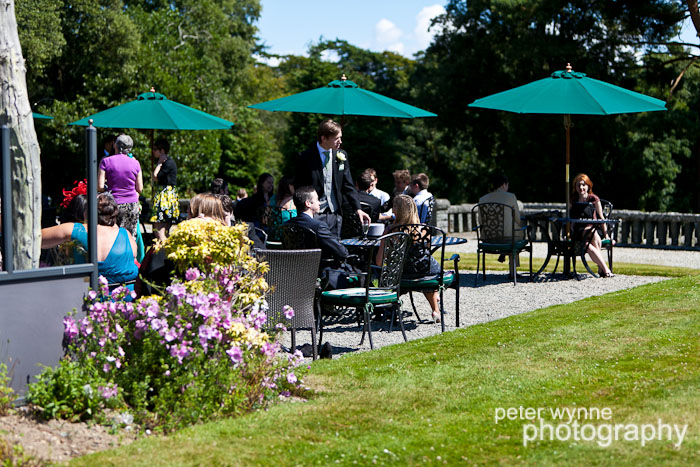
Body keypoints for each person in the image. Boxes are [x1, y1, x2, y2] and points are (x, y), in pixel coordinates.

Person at [41, 192, 138, 289]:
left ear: (86, 212)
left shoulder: (75, 230)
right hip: (125, 299)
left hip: (85, 298)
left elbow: (38, 238)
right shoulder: (126, 235)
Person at [294, 119, 369, 237]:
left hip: (335, 214)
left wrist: (358, 209)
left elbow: (348, 185)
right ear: (324, 138)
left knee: (334, 248)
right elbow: (299, 187)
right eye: (336, 138)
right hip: (314, 214)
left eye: (340, 137)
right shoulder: (306, 157)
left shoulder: (341, 155)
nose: (340, 141)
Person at [378, 194, 441, 323]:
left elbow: (379, 261)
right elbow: (426, 252)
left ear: (397, 210)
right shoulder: (424, 230)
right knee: (428, 268)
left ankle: (388, 309)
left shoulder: (391, 230)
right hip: (425, 273)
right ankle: (436, 309)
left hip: (401, 275)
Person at [284, 186, 349, 266]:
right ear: (308, 203)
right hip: (317, 271)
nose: (319, 203)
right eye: (317, 199)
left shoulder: (287, 225)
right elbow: (341, 252)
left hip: (292, 268)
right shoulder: (318, 226)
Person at [479, 174, 524, 278]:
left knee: (512, 234)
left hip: (488, 238)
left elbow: (481, 221)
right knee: (516, 233)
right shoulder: (511, 197)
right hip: (508, 238)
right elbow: (517, 219)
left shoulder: (482, 199)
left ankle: (503, 253)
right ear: (504, 185)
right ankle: (513, 270)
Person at [98, 134, 143, 238]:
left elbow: (100, 186)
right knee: (130, 237)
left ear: (115, 145)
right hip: (132, 204)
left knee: (112, 236)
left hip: (113, 204)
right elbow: (139, 188)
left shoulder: (106, 161)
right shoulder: (136, 163)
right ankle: (132, 254)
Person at [571, 173, 614, 278]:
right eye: (578, 185)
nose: (581, 188)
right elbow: (570, 219)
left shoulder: (593, 199)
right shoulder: (573, 200)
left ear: (588, 186)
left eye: (583, 185)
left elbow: (601, 218)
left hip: (593, 230)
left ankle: (603, 268)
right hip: (579, 231)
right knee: (592, 232)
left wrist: (607, 235)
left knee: (588, 245)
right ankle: (604, 269)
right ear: (575, 187)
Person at [150, 137, 178, 242]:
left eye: (155, 149)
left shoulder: (167, 164)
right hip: (167, 194)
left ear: (162, 150)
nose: (153, 151)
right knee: (162, 226)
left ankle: (163, 248)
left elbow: (155, 176)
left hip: (165, 195)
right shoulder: (169, 162)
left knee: (159, 225)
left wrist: (159, 164)